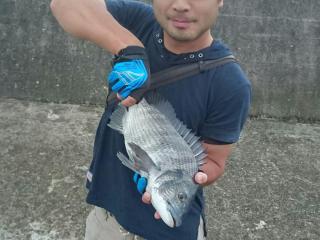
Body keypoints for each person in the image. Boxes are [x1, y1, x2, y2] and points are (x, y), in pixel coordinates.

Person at [50, 0, 251, 239]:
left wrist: (188, 178)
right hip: (106, 219)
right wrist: (128, 49)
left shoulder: (230, 84)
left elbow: (215, 162)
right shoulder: (139, 22)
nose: (180, 5)